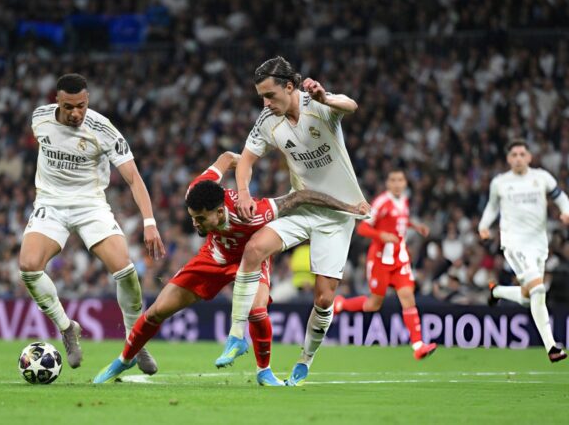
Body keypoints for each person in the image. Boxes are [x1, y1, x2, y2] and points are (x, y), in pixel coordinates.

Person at [93, 151, 369, 385]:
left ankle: (264, 371)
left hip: (252, 257)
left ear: (220, 212)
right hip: (214, 256)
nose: (195, 224)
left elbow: (300, 197)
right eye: (193, 218)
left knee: (257, 310)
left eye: (201, 219)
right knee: (156, 311)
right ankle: (125, 359)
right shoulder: (197, 190)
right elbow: (225, 158)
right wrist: (243, 160)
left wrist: (347, 207)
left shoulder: (253, 212)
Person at [217, 56, 369, 386]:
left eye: (270, 95)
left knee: (324, 299)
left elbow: (351, 105)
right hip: (300, 205)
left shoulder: (319, 105)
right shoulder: (267, 120)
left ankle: (305, 359)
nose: (265, 103)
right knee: (254, 248)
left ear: (289, 87)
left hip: (339, 214)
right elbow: (246, 161)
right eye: (261, 97)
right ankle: (236, 336)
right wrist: (243, 193)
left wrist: (326, 97)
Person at [19, 73, 165, 374]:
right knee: (29, 267)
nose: (76, 113)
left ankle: (135, 340)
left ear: (88, 101)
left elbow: (133, 178)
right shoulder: (40, 118)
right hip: (51, 203)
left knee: (125, 270)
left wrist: (149, 221)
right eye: (69, 106)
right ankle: (67, 327)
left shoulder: (103, 129)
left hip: (90, 205)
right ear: (57, 101)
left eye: (81, 106)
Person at [478, 139, 569, 362]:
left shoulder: (542, 177)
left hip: (538, 244)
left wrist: (567, 211)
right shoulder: (500, 182)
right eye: (514, 155)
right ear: (508, 159)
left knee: (527, 297)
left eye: (522, 154)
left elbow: (560, 197)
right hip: (514, 243)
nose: (518, 158)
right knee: (538, 290)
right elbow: (492, 207)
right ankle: (552, 347)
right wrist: (483, 226)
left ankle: (496, 292)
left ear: (529, 157)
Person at [333, 169, 437, 360]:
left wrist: (416, 226)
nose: (397, 184)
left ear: (405, 183)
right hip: (380, 260)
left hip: (400, 259)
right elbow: (363, 228)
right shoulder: (381, 202)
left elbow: (400, 221)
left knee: (408, 297)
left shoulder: (404, 200)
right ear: (388, 184)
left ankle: (418, 346)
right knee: (374, 304)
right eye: (393, 180)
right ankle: (342, 304)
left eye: (400, 180)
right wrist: (381, 235)